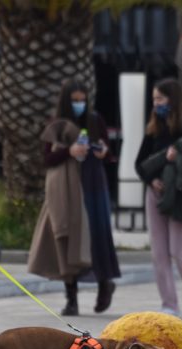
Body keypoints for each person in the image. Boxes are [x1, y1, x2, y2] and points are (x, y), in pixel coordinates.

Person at [28, 79, 121, 315]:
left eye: (83, 100)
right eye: (75, 100)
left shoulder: (94, 120)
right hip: (67, 190)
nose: (79, 104)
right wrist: (68, 151)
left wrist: (102, 151)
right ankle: (72, 298)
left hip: (92, 185)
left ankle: (104, 284)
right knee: (67, 241)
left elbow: (108, 152)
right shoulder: (57, 124)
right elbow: (47, 159)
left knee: (96, 238)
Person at [135, 77, 182, 316]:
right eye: (154, 99)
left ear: (173, 99)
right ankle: (169, 303)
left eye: (160, 98)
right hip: (155, 195)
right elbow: (139, 163)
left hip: (180, 197)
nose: (156, 104)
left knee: (178, 249)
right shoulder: (153, 130)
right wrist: (151, 180)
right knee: (159, 251)